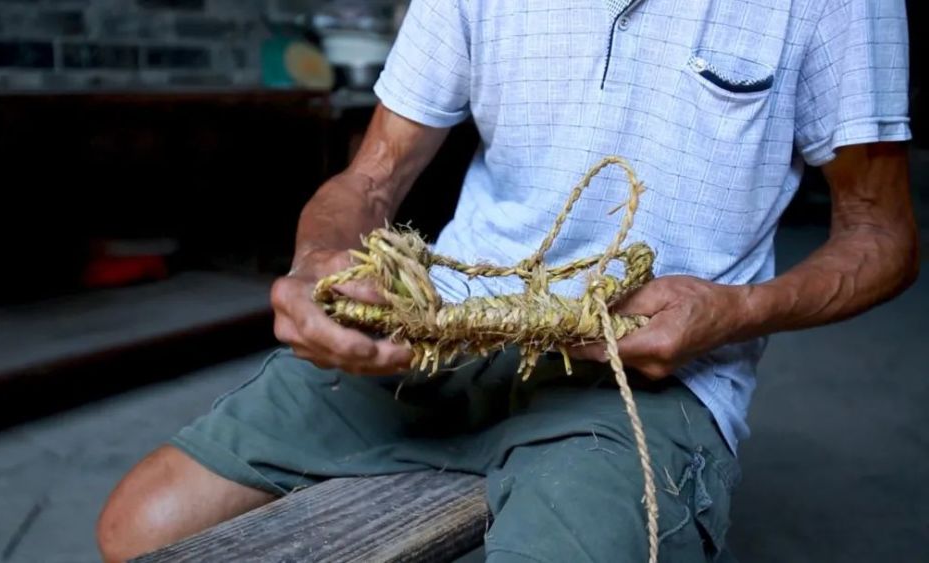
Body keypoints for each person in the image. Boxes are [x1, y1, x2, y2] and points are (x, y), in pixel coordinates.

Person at [97, 1, 918, 561]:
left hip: (641, 374)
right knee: (139, 527)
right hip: (447, 335)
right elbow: (370, 181)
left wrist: (736, 309)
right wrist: (321, 264)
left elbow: (882, 235)